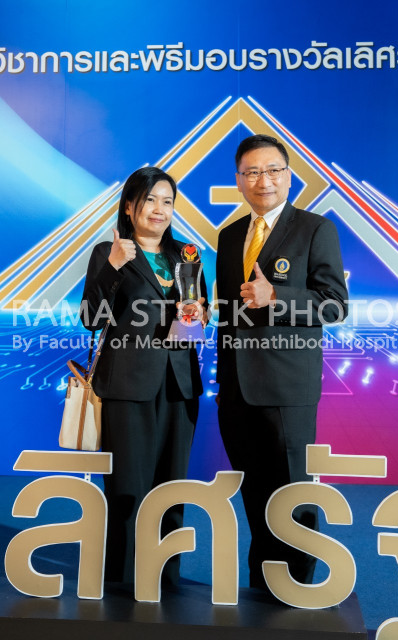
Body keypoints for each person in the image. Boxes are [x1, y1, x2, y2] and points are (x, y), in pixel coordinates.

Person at [216, 134, 348, 589]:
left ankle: (299, 591)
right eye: (252, 172)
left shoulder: (315, 229)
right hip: (237, 389)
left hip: (288, 389)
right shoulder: (229, 236)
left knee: (293, 493)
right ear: (238, 181)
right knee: (254, 492)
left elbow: (334, 305)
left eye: (273, 170)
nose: (263, 180)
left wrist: (277, 296)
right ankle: (263, 584)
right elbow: (230, 315)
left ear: (289, 177)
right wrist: (223, 377)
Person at [81, 166, 207, 585]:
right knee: (128, 486)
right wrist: (114, 267)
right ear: (129, 206)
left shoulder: (187, 255)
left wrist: (200, 313)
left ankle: (166, 575)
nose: (159, 209)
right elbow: (91, 317)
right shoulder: (108, 251)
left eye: (167, 201)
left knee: (172, 486)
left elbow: (198, 312)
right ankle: (123, 577)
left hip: (179, 383)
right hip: (128, 384)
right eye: (150, 200)